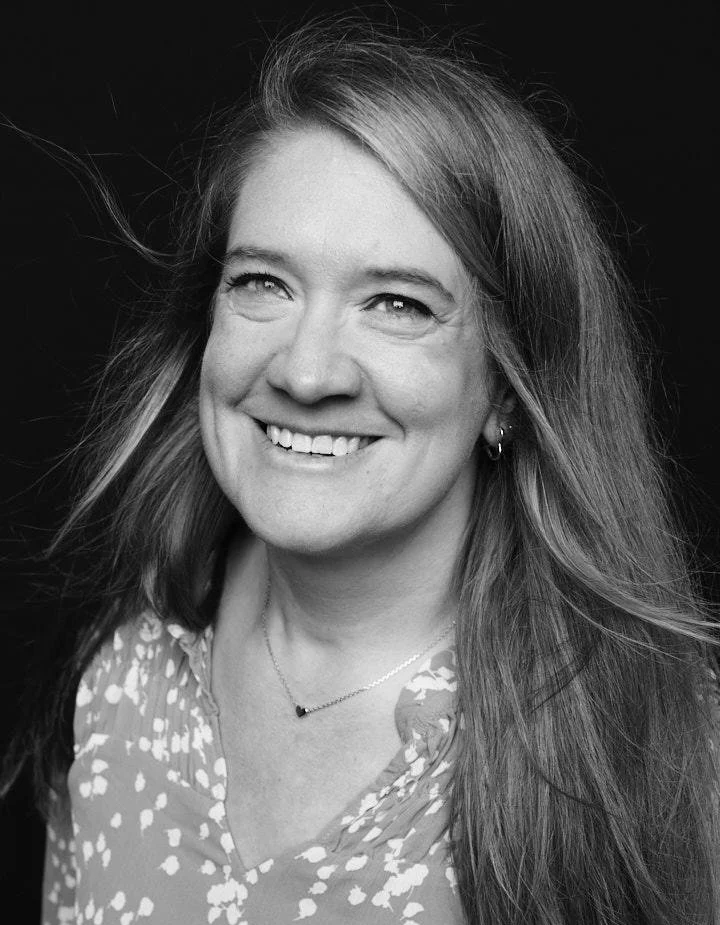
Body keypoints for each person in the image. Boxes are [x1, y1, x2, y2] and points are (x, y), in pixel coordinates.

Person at [4, 15, 719, 925]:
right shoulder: (128, 671)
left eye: (397, 304)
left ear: (507, 390)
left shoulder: (662, 752)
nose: (306, 372)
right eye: (264, 283)